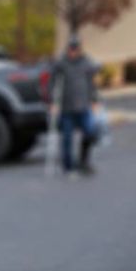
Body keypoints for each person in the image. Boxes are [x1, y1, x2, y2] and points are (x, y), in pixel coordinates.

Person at [50, 34, 102, 176]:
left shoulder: (86, 63)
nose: (73, 51)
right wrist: (53, 103)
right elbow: (53, 83)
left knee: (90, 132)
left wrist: (95, 101)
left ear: (80, 49)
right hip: (67, 108)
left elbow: (91, 84)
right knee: (67, 137)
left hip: (83, 106)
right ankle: (68, 166)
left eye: (76, 48)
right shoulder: (61, 63)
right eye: (71, 48)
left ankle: (83, 162)